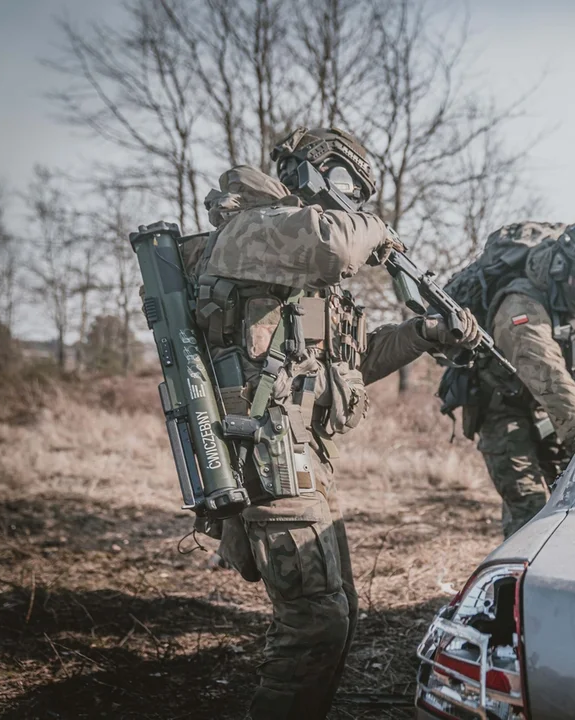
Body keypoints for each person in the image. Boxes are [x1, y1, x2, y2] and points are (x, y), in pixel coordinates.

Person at [180, 126, 481, 720]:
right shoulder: (253, 229)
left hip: (301, 454)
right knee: (315, 622)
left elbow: (351, 363)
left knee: (337, 611)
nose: (353, 200)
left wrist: (423, 333)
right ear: (310, 172)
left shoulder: (296, 270)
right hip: (267, 449)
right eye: (346, 182)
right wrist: (383, 234)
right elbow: (336, 245)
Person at [476, 219, 575, 537]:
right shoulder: (520, 305)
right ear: (562, 267)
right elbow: (549, 378)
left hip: (564, 418)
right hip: (509, 414)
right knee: (530, 514)